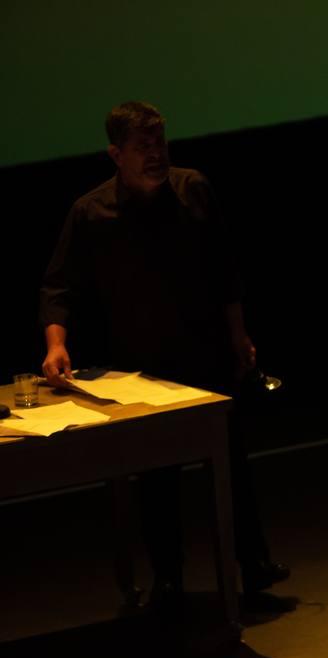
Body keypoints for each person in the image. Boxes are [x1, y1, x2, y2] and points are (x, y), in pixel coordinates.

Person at [38, 101, 287, 604]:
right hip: (141, 365)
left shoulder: (193, 189)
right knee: (156, 477)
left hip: (206, 352)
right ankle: (168, 580)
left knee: (231, 464)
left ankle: (254, 565)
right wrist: (56, 345)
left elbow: (225, 270)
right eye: (142, 147)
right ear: (115, 154)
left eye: (160, 143)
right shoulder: (91, 212)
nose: (156, 155)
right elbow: (58, 286)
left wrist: (239, 334)